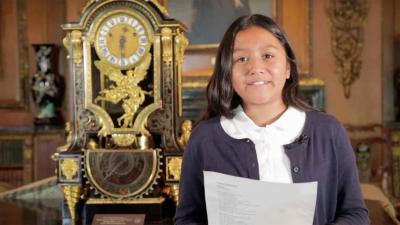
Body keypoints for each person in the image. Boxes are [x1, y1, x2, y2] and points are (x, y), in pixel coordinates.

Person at [174, 14, 369, 225]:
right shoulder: (204, 138)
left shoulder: (328, 131)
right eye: (241, 59)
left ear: (288, 68)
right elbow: (187, 219)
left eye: (268, 56)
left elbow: (356, 214)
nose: (255, 68)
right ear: (227, 72)